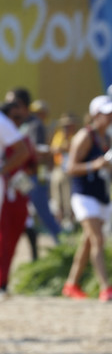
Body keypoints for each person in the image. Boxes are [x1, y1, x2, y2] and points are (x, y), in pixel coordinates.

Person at [61, 95, 112, 302]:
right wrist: (92, 165)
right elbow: (70, 167)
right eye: (107, 113)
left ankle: (71, 284)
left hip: (99, 194)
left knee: (87, 242)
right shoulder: (85, 136)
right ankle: (105, 288)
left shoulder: (107, 138)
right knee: (97, 239)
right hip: (84, 195)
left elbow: (109, 169)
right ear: (95, 115)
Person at [5, 88, 61, 257]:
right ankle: (34, 256)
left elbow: (34, 151)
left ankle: (63, 245)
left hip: (32, 176)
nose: (8, 106)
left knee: (42, 212)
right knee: (22, 216)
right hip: (18, 176)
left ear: (22, 105)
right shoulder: (14, 123)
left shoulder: (33, 124)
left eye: (12, 102)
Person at [0, 101, 33, 301]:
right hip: (9, 191)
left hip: (15, 192)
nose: (17, 121)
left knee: (11, 238)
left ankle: (3, 281)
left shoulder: (17, 133)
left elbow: (29, 160)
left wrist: (7, 173)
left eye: (21, 117)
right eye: (16, 117)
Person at [49, 113, 79, 229]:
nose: (67, 128)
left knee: (69, 199)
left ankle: (70, 224)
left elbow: (72, 149)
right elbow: (54, 149)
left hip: (71, 171)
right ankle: (60, 225)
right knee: (57, 199)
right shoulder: (59, 135)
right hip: (59, 169)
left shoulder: (76, 136)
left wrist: (63, 148)